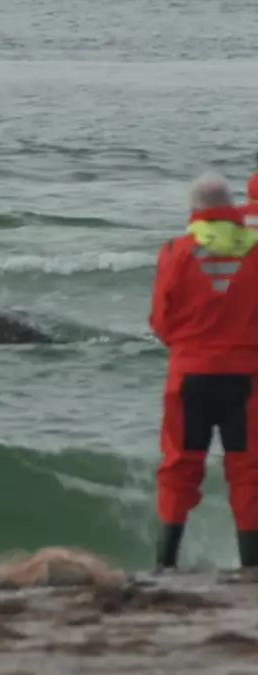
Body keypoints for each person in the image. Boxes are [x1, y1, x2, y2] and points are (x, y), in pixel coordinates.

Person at [150, 173, 258, 571]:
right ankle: (252, 570)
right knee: (249, 473)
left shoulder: (176, 250)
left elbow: (161, 320)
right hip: (246, 380)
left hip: (189, 377)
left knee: (178, 467)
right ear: (230, 208)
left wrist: (191, 347)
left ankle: (165, 566)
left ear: (193, 212)